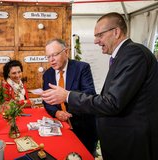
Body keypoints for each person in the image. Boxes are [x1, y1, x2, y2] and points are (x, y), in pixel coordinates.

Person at [42, 12, 158, 160]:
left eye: (99, 35)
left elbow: (112, 102)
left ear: (116, 32)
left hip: (131, 142)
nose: (96, 41)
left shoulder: (133, 54)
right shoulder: (122, 56)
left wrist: (67, 95)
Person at [43, 38, 97, 156]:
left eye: (54, 55)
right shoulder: (47, 74)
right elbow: (46, 101)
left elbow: (90, 94)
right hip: (60, 128)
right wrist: (56, 113)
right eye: (48, 57)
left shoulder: (82, 68)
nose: (51, 60)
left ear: (66, 52)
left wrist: (66, 95)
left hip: (83, 127)